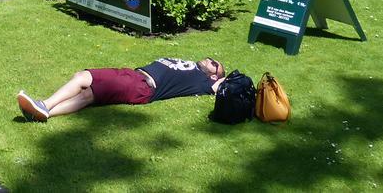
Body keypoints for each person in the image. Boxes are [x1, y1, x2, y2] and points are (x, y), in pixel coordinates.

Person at [17, 57, 230, 121]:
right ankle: (41, 112)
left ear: (214, 75)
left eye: (214, 63)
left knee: (88, 93)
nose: (209, 60)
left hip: (142, 87)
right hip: (132, 74)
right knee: (81, 76)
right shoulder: (192, 65)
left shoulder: (202, 82)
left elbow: (226, 84)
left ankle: (44, 107)